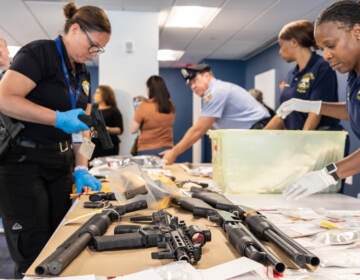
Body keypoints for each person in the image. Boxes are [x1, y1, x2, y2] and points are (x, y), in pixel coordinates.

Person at [0, 2, 111, 277]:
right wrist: (57, 118)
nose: (95, 53)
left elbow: (84, 127)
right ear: (75, 29)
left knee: (62, 245)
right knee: (34, 254)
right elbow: (4, 99)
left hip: (59, 165)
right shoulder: (39, 53)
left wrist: (82, 165)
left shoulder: (82, 72)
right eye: (94, 45)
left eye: (100, 49)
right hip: (22, 166)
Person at [277, 0, 360, 200]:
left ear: (357, 32)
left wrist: (328, 174)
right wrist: (314, 106)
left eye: (331, 46)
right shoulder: (354, 74)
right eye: (323, 49)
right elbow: (353, 111)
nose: (327, 55)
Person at [161, 64, 270, 164]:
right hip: (251, 137)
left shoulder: (216, 92)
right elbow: (213, 129)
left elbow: (199, 130)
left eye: (195, 80)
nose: (193, 86)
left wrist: (173, 153)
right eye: (190, 84)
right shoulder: (212, 93)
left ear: (207, 76)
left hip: (260, 135)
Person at [264, 19, 341, 131]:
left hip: (320, 136)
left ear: (294, 42)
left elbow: (315, 111)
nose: (280, 51)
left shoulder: (322, 67)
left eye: (281, 45)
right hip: (297, 136)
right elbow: (282, 114)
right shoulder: (291, 74)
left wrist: (302, 141)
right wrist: (259, 137)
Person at [130, 75, 175, 156]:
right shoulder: (170, 105)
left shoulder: (143, 106)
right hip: (167, 149)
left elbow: (133, 130)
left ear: (149, 89)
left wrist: (138, 110)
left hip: (147, 149)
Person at [92, 85, 123, 158]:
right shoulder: (92, 109)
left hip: (108, 146)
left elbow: (119, 130)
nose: (94, 95)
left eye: (97, 93)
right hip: (92, 144)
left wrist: (105, 129)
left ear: (105, 95)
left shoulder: (114, 111)